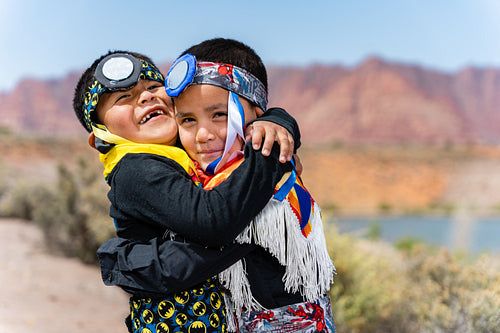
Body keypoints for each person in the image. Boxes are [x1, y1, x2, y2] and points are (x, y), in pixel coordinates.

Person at [101, 38, 337, 332]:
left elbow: (211, 227)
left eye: (220, 115)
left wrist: (119, 263)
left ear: (255, 116)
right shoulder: (197, 171)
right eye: (187, 119)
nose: (203, 134)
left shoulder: (253, 171)